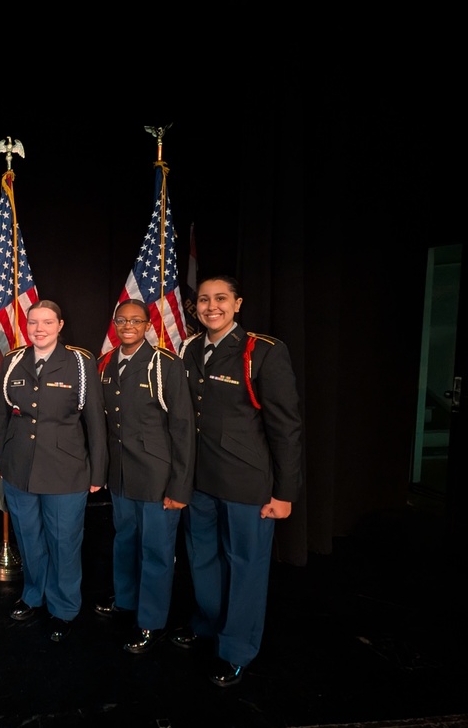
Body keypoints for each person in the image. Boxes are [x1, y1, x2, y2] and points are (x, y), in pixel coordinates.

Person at [172, 275, 303, 687]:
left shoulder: (262, 351)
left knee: (245, 567)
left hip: (247, 483)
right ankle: (209, 623)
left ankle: (236, 650)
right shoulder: (190, 347)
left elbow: (286, 428)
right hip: (199, 480)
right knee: (202, 560)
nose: (212, 307)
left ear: (237, 303)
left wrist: (284, 493)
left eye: (221, 299)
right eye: (205, 300)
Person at [0, 300, 107, 641]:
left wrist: (97, 473)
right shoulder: (13, 360)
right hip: (20, 468)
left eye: (47, 322)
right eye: (33, 323)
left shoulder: (79, 361)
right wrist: (1, 460)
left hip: (65, 470)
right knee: (29, 538)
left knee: (64, 542)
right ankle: (33, 595)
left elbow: (95, 422)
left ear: (60, 325)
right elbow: (1, 415)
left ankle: (64, 607)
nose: (39, 329)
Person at [94, 299, 194, 653]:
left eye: (135, 321)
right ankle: (125, 599)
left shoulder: (165, 364)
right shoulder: (106, 364)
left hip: (157, 476)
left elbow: (183, 430)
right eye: (121, 320)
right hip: (121, 474)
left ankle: (151, 621)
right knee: (124, 541)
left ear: (149, 325)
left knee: (155, 551)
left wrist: (179, 486)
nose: (128, 326)